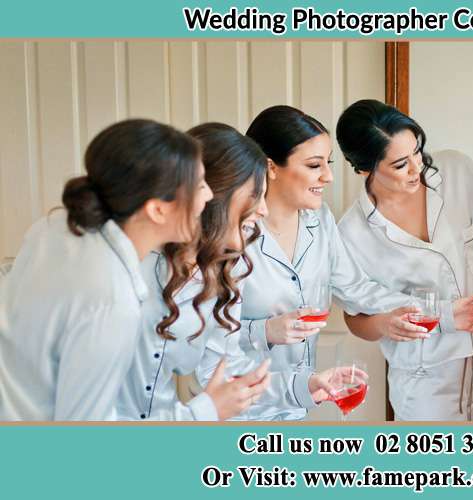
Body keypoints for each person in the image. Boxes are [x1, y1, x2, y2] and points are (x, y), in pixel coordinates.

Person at [196, 105, 414, 421]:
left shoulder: (320, 220)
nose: (328, 176)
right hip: (239, 413)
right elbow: (209, 340)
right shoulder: (228, 236)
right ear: (270, 167)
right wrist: (265, 330)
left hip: (297, 403)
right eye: (314, 165)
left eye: (328, 163)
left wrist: (435, 311)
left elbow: (355, 288)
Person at [0, 119, 209, 420]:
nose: (209, 196)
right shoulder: (112, 302)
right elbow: (87, 443)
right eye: (200, 185)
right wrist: (203, 412)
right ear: (157, 209)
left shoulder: (54, 227)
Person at [336, 100, 473, 420]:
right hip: (424, 378)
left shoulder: (457, 172)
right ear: (364, 167)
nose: (416, 169)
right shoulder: (351, 234)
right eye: (399, 164)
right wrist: (383, 322)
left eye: (417, 152)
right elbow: (355, 319)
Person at [116, 123, 272, 421]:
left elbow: (221, 366)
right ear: (212, 193)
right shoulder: (131, 263)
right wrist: (203, 414)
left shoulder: (223, 269)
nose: (263, 209)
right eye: (255, 195)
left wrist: (301, 386)